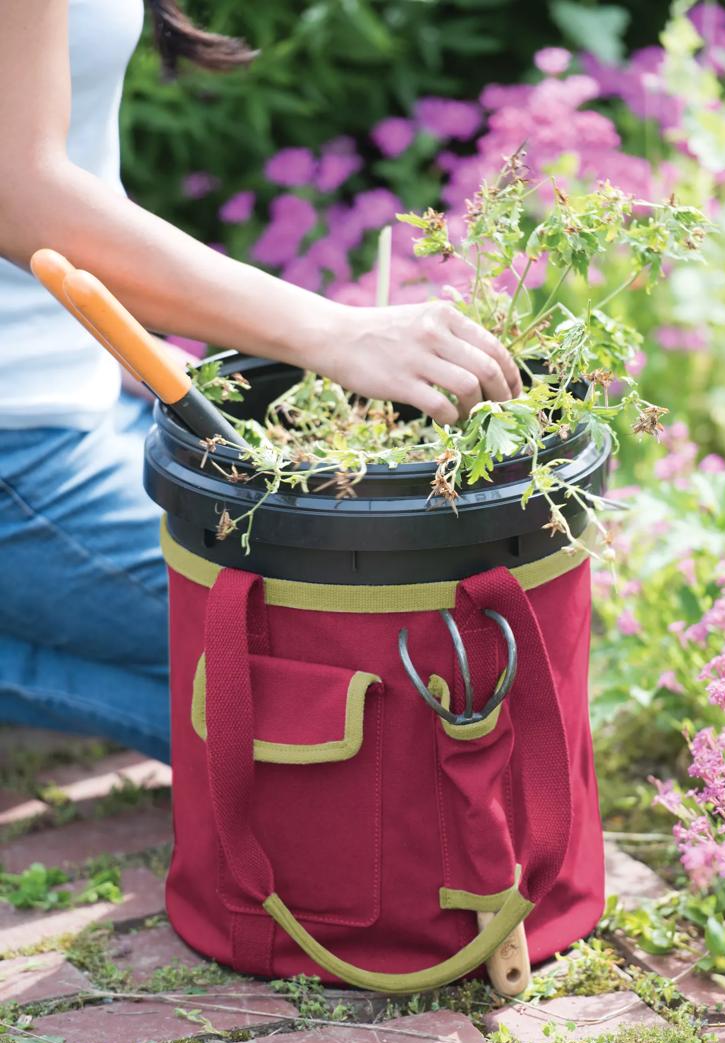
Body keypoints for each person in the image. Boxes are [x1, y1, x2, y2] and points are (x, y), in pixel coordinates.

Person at [0, 1, 521, 762]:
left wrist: (120, 344)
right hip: (20, 444)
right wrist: (333, 331)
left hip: (79, 397)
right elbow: (19, 190)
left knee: (414, 655)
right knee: (367, 685)